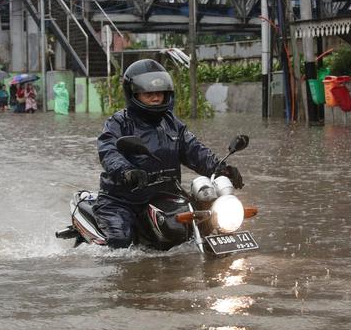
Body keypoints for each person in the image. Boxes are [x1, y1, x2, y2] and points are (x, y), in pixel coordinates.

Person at [93, 59, 243, 249]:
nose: (156, 98)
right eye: (148, 93)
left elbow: (195, 150)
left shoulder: (173, 124)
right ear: (134, 94)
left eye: (160, 93)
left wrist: (222, 169)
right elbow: (108, 151)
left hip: (166, 196)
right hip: (124, 200)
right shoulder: (119, 123)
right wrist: (127, 171)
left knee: (207, 220)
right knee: (121, 240)